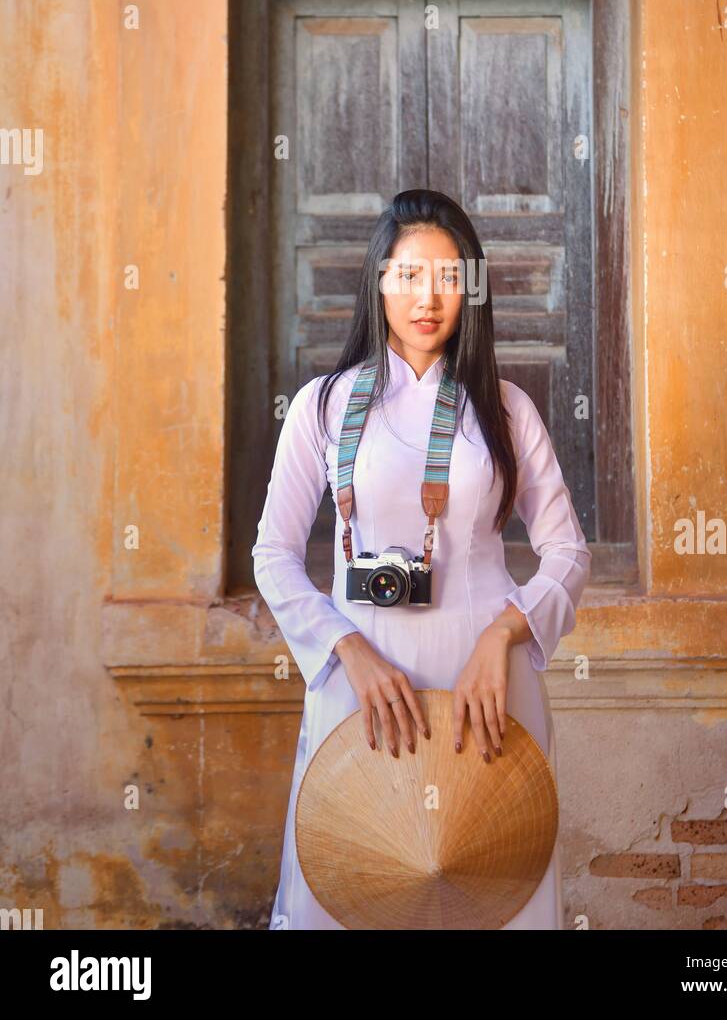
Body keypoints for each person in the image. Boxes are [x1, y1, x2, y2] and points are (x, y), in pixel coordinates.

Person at [252, 188, 592, 929]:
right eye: (408, 275)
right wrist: (347, 650)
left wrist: (503, 636)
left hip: (486, 694)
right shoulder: (322, 407)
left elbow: (567, 551)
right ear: (378, 281)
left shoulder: (505, 408)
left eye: (447, 278)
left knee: (489, 892)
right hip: (363, 689)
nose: (427, 297)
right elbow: (273, 554)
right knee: (349, 891)